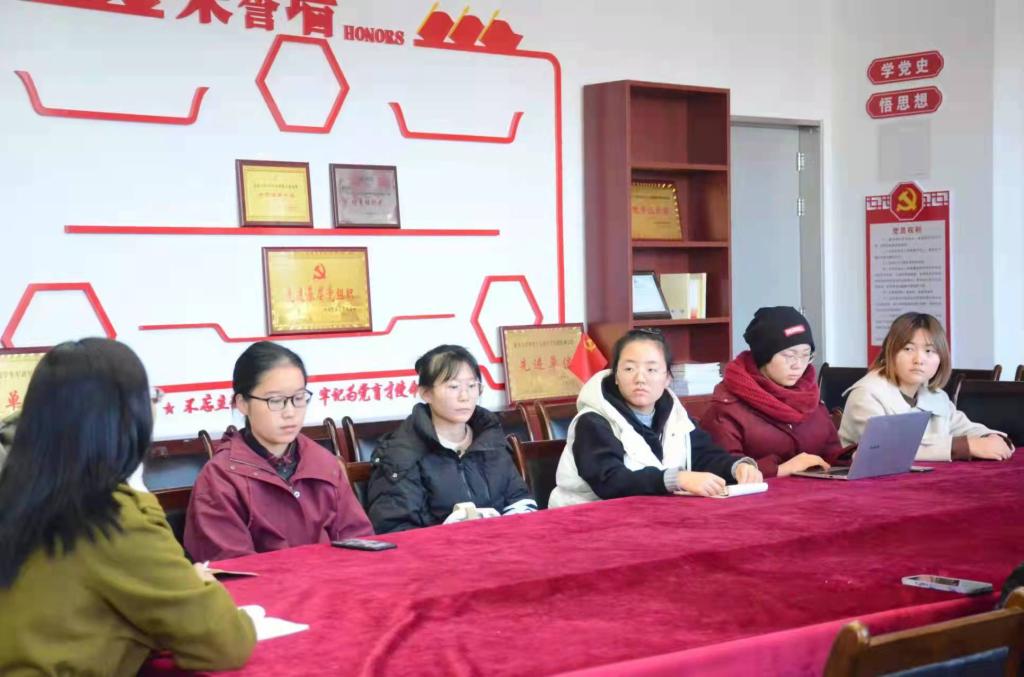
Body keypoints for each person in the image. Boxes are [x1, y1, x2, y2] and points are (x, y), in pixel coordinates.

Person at [0, 339, 255, 675]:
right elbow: (226, 643)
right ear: (125, 417)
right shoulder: (109, 514)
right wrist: (198, 582)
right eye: (151, 398)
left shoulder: (17, 490)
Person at [185, 341, 372, 561]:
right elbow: (232, 568)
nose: (290, 412)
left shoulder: (324, 464)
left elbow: (361, 543)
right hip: (266, 584)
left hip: (335, 580)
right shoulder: (220, 478)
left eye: (299, 398)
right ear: (242, 403)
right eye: (275, 401)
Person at [548, 329, 762, 508]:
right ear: (616, 376)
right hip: (584, 518)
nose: (640, 378)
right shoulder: (593, 421)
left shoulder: (675, 414)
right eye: (629, 369)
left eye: (651, 369)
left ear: (667, 377)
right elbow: (610, 481)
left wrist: (737, 468)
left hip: (649, 514)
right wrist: (677, 479)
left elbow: (704, 456)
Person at [367, 344, 536, 533]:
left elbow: (520, 500)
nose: (465, 396)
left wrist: (506, 526)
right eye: (453, 387)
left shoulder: (490, 439)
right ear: (426, 393)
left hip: (502, 544)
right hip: (436, 550)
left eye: (472, 386)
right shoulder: (401, 452)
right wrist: (448, 531)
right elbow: (394, 528)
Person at [839, 312, 1012, 461]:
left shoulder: (936, 396)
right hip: (869, 486)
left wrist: (991, 437)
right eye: (908, 349)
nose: (919, 360)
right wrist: (965, 446)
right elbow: (884, 447)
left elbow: (965, 427)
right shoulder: (866, 395)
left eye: (929, 351)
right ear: (890, 352)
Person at [701, 306, 845, 477]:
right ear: (764, 355)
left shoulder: (809, 397)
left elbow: (830, 456)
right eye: (789, 356)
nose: (798, 365)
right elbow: (724, 469)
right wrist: (780, 469)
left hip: (815, 491)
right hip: (761, 493)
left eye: (806, 355)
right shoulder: (727, 408)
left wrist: (852, 456)